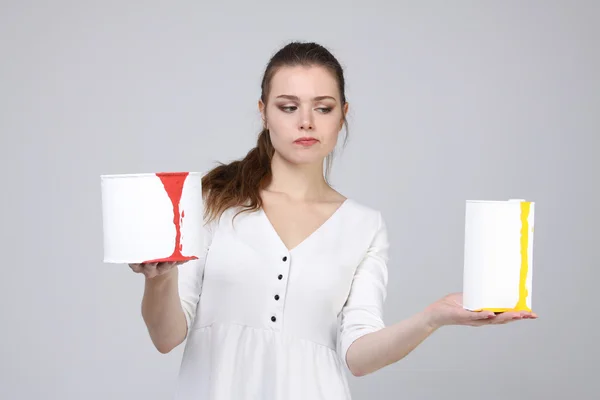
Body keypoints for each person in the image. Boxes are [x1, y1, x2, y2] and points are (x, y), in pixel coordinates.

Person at [129, 41, 537, 399]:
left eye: (322, 108)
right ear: (263, 113)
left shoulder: (364, 226)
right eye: (288, 107)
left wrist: (434, 316)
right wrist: (158, 278)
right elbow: (167, 338)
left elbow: (358, 356)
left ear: (342, 115)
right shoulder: (212, 201)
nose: (306, 122)